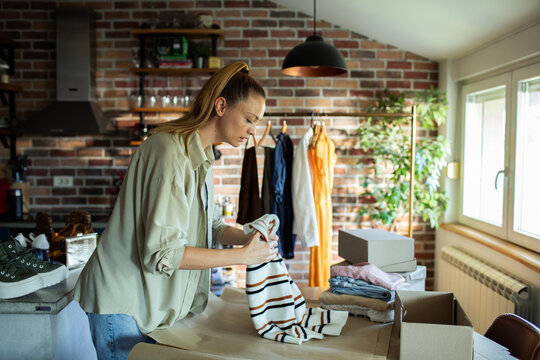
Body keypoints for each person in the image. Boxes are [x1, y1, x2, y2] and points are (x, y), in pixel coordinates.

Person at [73, 62, 279, 360]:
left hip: (152, 304)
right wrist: (243, 257)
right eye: (249, 118)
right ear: (221, 106)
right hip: (124, 302)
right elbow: (163, 254)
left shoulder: (202, 155)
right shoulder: (170, 152)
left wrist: (248, 235)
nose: (253, 130)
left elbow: (212, 226)